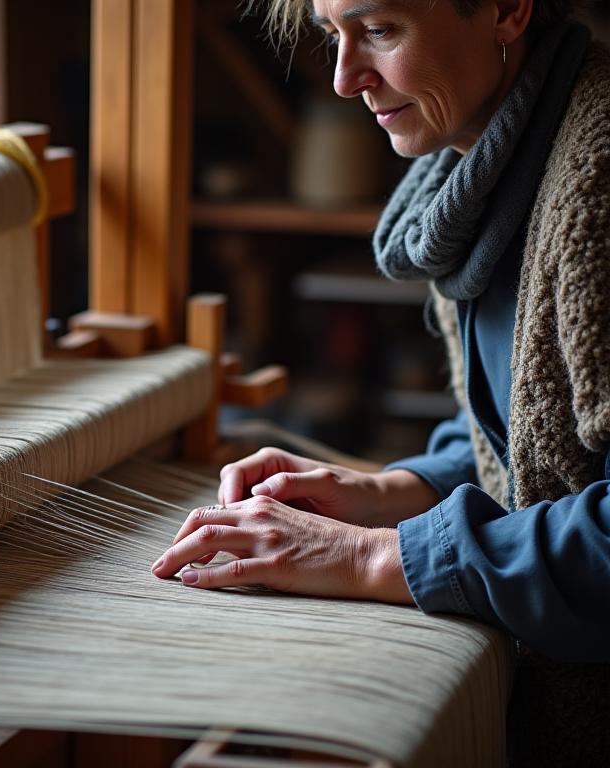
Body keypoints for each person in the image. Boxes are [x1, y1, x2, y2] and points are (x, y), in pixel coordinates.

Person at [150, 0, 609, 763]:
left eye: (380, 30)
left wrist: (368, 557)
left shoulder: (594, 182)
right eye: (331, 35)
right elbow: (522, 435)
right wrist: (387, 492)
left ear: (506, 9)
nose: (343, 78)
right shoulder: (487, 172)